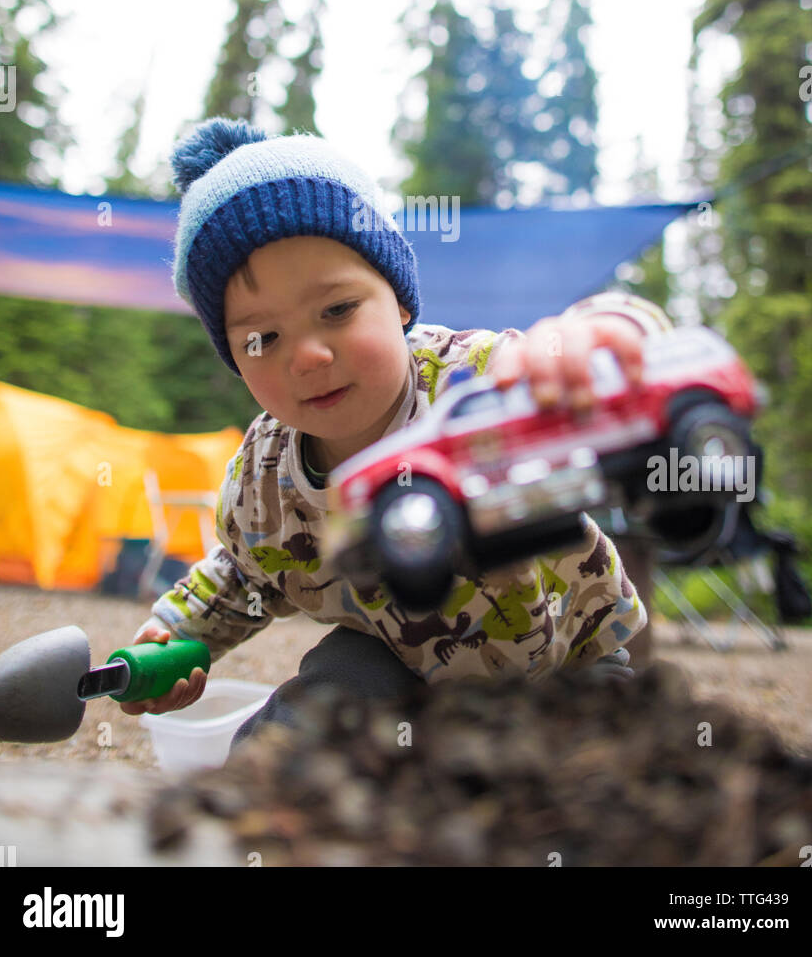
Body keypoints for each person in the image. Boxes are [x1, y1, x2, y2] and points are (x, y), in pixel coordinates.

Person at [118, 116, 673, 754]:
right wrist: (171, 635)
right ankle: (268, 815)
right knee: (313, 712)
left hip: (564, 666)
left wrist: (605, 334)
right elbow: (244, 577)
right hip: (390, 673)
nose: (307, 356)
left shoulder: (479, 382)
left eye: (336, 310)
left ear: (401, 303)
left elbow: (607, 370)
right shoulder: (262, 483)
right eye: (261, 338)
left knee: (595, 794)